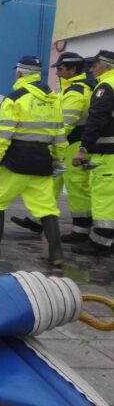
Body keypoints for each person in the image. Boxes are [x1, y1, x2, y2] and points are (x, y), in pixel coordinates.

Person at [0, 55, 67, 266]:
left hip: (16, 160)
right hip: (42, 161)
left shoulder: (14, 98)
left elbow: (4, 133)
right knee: (47, 208)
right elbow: (59, 133)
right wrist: (59, 159)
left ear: (19, 73)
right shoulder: (53, 99)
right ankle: (56, 253)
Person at [10, 52, 94, 242]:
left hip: (73, 144)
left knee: (76, 187)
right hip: (67, 145)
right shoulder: (69, 90)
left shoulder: (76, 92)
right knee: (53, 183)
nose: (57, 72)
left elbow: (66, 124)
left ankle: (81, 230)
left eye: (61, 69)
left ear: (73, 70)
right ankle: (38, 219)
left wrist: (48, 141)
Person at [71, 49, 114, 257]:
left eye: (95, 65)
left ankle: (101, 243)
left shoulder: (105, 86)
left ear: (106, 66)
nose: (91, 69)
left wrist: (83, 147)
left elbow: (96, 119)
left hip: (108, 155)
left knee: (103, 197)